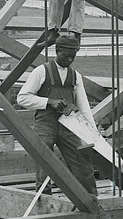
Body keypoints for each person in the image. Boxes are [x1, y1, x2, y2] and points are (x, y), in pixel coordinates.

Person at [16, 34, 98, 198]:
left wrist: (93, 134)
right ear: (58, 51)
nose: (69, 60)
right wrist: (49, 102)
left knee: (82, 161)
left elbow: (84, 107)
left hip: (69, 124)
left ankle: (91, 200)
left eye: (73, 57)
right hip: (46, 125)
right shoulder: (42, 71)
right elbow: (22, 98)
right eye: (66, 56)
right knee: (45, 161)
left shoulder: (75, 76)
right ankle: (45, 199)